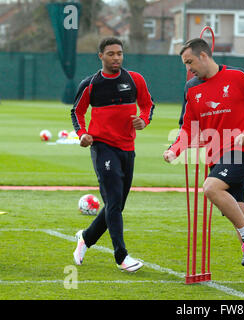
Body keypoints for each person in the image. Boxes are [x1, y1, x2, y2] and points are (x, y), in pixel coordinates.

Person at [163, 38, 244, 293]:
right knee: (240, 217)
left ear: (204, 55)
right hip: (216, 158)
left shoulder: (238, 77)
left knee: (210, 189)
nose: (188, 68)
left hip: (241, 153)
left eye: (190, 62)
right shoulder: (191, 88)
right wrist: (174, 150)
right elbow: (188, 128)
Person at [71, 37, 155, 272]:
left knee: (115, 205)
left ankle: (86, 238)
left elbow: (148, 105)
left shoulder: (135, 79)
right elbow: (77, 112)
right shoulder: (91, 84)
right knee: (114, 203)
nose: (116, 57)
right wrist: (82, 134)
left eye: (119, 53)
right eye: (111, 54)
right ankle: (122, 257)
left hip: (127, 148)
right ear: (101, 56)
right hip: (103, 147)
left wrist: (144, 120)